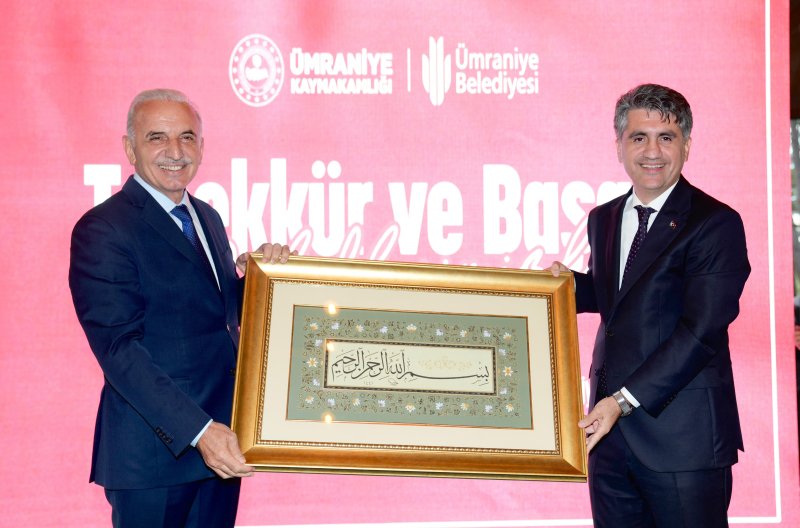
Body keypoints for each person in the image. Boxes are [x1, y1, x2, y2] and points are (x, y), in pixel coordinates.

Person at [69, 88, 293, 528]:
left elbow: (215, 317)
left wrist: (265, 280)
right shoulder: (104, 229)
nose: (175, 151)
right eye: (157, 137)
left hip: (221, 448)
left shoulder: (207, 217)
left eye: (187, 137)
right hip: (156, 458)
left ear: (202, 147)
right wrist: (200, 431)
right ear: (130, 148)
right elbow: (119, 349)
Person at [550, 83, 750, 527]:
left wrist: (622, 401)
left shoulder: (715, 223)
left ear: (687, 146)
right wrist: (563, 288)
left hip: (683, 440)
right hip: (609, 439)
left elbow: (700, 332)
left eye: (666, 137)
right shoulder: (604, 218)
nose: (652, 151)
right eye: (639, 137)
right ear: (619, 146)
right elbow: (619, 296)